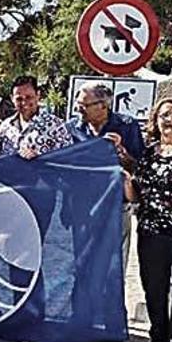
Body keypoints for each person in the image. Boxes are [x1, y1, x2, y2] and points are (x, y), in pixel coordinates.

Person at [125, 98, 172, 342]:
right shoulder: (150, 154)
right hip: (151, 232)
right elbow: (140, 194)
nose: (170, 119)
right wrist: (124, 181)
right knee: (154, 289)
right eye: (164, 115)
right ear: (156, 121)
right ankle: (158, 340)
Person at [66, 81, 144, 269]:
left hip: (116, 206)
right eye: (78, 104)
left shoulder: (127, 126)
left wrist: (120, 150)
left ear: (103, 105)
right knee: (84, 265)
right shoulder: (71, 128)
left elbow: (139, 166)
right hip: (82, 207)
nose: (79, 109)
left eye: (84, 105)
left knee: (114, 267)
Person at [0, 75, 72, 158]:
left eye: (28, 97)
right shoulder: (6, 126)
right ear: (12, 99)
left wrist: (38, 159)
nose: (24, 103)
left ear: (38, 95)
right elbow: (0, 159)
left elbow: (67, 159)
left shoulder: (55, 125)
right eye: (19, 99)